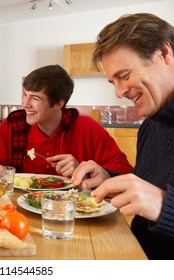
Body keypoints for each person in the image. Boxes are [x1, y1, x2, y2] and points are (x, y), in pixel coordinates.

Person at [70, 13, 174, 260]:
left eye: (124, 75)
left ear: (164, 53)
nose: (119, 92)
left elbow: (156, 198)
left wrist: (163, 205)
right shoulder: (152, 124)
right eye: (113, 82)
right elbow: (145, 184)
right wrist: (109, 178)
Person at [0, 64, 133, 181]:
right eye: (24, 95)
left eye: (35, 98)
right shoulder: (12, 125)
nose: (25, 104)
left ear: (58, 104)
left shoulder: (88, 128)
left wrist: (85, 171)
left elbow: (124, 171)